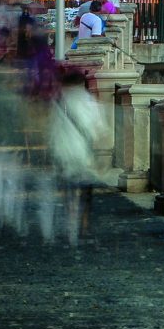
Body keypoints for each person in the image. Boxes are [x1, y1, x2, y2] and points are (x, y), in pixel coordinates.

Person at [45, 67, 110, 242]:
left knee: (68, 187)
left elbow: (51, 129)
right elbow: (100, 131)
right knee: (86, 190)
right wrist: (103, 159)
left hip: (63, 152)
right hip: (83, 154)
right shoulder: (90, 102)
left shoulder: (58, 102)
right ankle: (84, 223)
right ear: (83, 83)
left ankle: (70, 216)